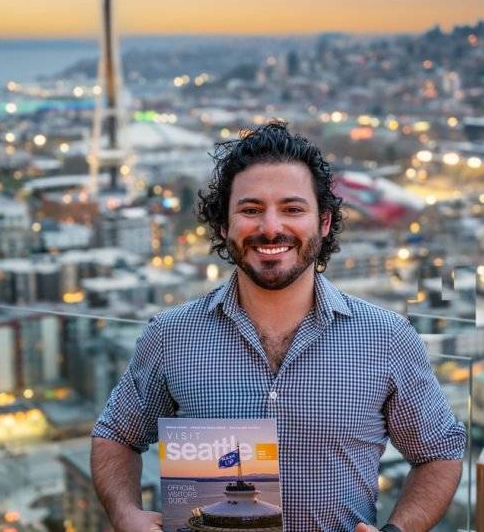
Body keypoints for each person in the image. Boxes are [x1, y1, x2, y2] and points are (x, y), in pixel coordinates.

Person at [91, 123, 466, 532]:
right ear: (223, 225)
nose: (271, 228)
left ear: (323, 223)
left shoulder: (387, 338)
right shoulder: (170, 335)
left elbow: (439, 452)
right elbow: (116, 435)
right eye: (251, 210)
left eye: (292, 209)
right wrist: (125, 515)